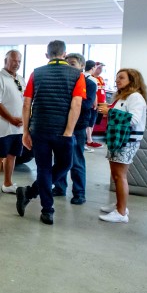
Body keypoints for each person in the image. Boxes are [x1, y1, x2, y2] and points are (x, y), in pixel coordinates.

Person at [15, 40, 85, 225]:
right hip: (63, 131)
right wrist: (69, 131)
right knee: (65, 165)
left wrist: (25, 132)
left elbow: (26, 104)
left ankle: (35, 197)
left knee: (44, 169)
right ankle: (46, 209)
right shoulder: (77, 75)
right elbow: (76, 104)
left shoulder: (36, 73)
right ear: (65, 54)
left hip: (39, 129)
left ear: (47, 55)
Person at [96, 68, 147, 223]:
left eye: (121, 78)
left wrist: (110, 112)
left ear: (132, 80)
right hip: (118, 140)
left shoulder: (135, 97)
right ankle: (120, 204)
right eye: (117, 77)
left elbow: (133, 119)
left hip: (127, 141)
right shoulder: (123, 96)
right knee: (116, 175)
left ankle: (121, 212)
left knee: (120, 176)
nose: (117, 80)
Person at [52, 53, 96, 205]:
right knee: (59, 159)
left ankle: (79, 192)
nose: (69, 67)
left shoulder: (89, 84)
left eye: (72, 64)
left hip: (78, 127)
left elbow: (86, 105)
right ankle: (59, 187)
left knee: (76, 161)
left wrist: (68, 102)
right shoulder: (64, 82)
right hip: (61, 126)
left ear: (82, 66)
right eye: (67, 64)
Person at [0, 49, 25, 199]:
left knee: (12, 155)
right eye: (14, 60)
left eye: (19, 61)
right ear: (6, 61)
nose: (17, 64)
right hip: (3, 127)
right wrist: (11, 119)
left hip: (18, 127)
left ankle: (7, 183)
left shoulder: (20, 79)